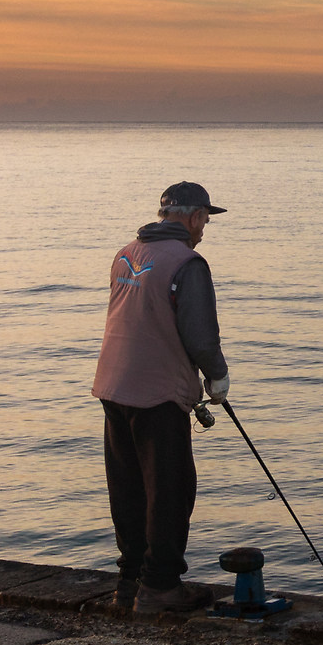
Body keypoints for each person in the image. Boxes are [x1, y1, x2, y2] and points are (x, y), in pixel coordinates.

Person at [92, 181, 231, 614]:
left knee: (128, 489)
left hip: (113, 387)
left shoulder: (125, 254)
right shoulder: (188, 263)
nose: (205, 229)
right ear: (192, 217)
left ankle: (129, 585)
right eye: (205, 220)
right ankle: (161, 588)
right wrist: (218, 378)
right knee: (169, 491)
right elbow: (201, 335)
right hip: (157, 394)